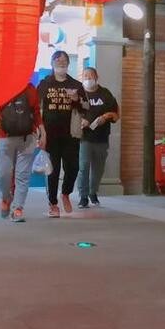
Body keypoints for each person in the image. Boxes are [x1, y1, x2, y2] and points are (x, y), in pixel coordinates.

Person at [38, 50, 86, 218]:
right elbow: (37, 109)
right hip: (50, 134)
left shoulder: (76, 85)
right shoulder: (45, 84)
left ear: (68, 64)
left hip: (71, 134)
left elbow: (86, 107)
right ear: (52, 63)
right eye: (58, 60)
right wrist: (40, 133)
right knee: (53, 170)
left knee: (73, 167)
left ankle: (65, 193)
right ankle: (53, 204)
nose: (61, 62)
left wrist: (76, 100)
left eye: (64, 60)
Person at [0, 83, 43, 222]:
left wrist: (42, 131)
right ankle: (6, 197)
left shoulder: (30, 89)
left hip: (27, 136)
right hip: (5, 136)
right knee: (3, 173)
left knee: (23, 175)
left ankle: (18, 208)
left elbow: (36, 112)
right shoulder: (1, 87)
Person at [76, 67, 119, 209]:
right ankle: (83, 196)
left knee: (98, 169)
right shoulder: (79, 94)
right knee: (83, 166)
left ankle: (93, 192)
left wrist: (106, 117)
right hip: (84, 138)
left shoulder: (105, 93)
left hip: (101, 137)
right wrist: (81, 121)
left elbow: (116, 115)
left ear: (96, 77)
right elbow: (72, 113)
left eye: (90, 76)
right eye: (85, 76)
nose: (88, 79)